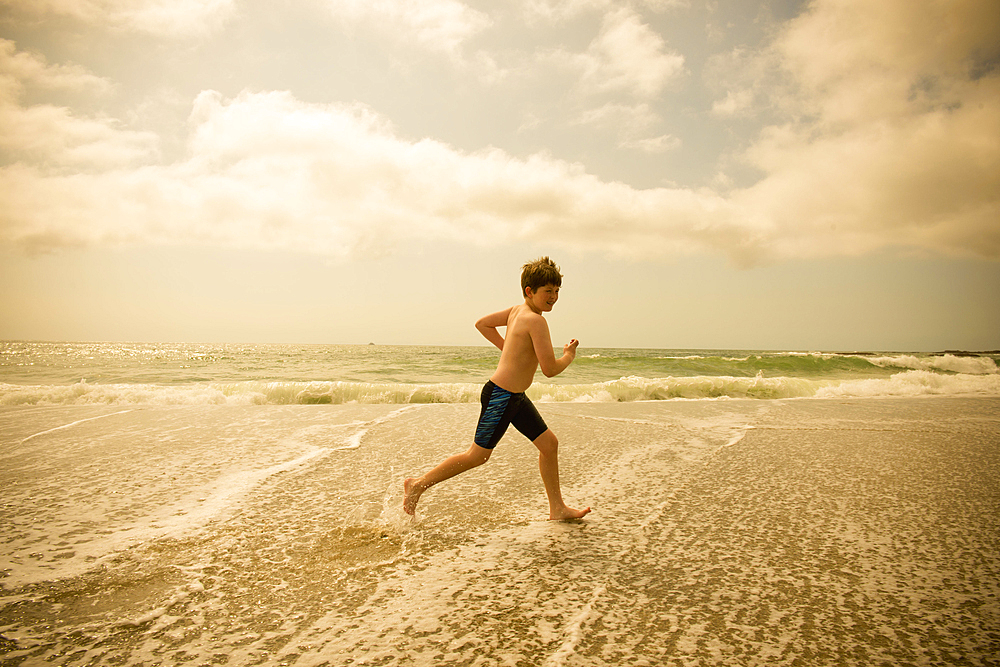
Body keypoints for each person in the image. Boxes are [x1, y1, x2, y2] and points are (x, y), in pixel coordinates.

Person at [403, 257, 591, 521]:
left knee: (549, 444)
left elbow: (482, 323)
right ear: (530, 291)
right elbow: (549, 369)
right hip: (502, 397)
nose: (554, 297)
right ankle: (418, 484)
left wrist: (509, 349)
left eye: (557, 291)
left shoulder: (517, 311)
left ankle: (557, 509)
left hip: (514, 396)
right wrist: (569, 355)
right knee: (477, 456)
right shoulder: (537, 322)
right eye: (548, 291)